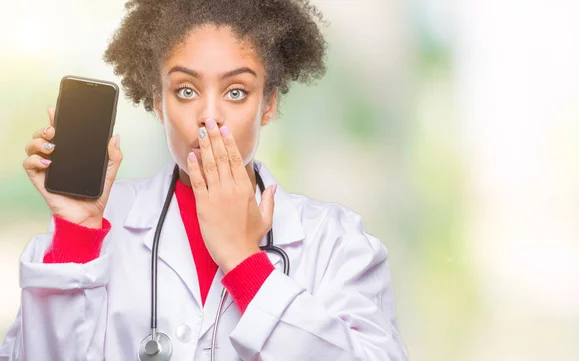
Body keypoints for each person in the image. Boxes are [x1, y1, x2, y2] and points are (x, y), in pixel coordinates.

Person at [0, 0, 408, 360]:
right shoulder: (94, 228)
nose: (209, 116)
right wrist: (76, 234)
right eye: (185, 90)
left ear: (268, 104)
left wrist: (244, 262)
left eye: (236, 92)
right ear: (158, 102)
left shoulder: (336, 241)